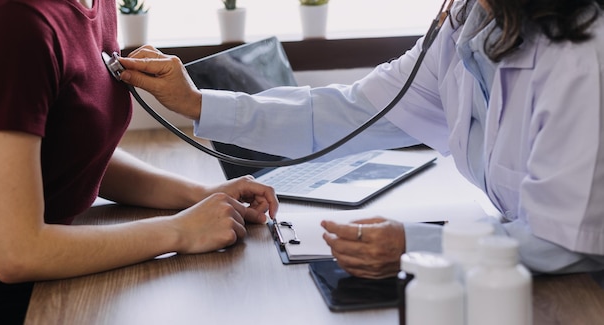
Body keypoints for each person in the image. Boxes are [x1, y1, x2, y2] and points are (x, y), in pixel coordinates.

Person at [118, 0, 604, 279]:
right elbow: (352, 111)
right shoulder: (468, 28)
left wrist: (416, 244)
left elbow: (563, 243)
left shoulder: (584, 61)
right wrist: (200, 102)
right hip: (514, 275)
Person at [0, 0, 278, 323]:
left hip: (58, 276)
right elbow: (17, 253)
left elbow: (69, 150)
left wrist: (200, 194)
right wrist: (179, 231)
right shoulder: (15, 22)